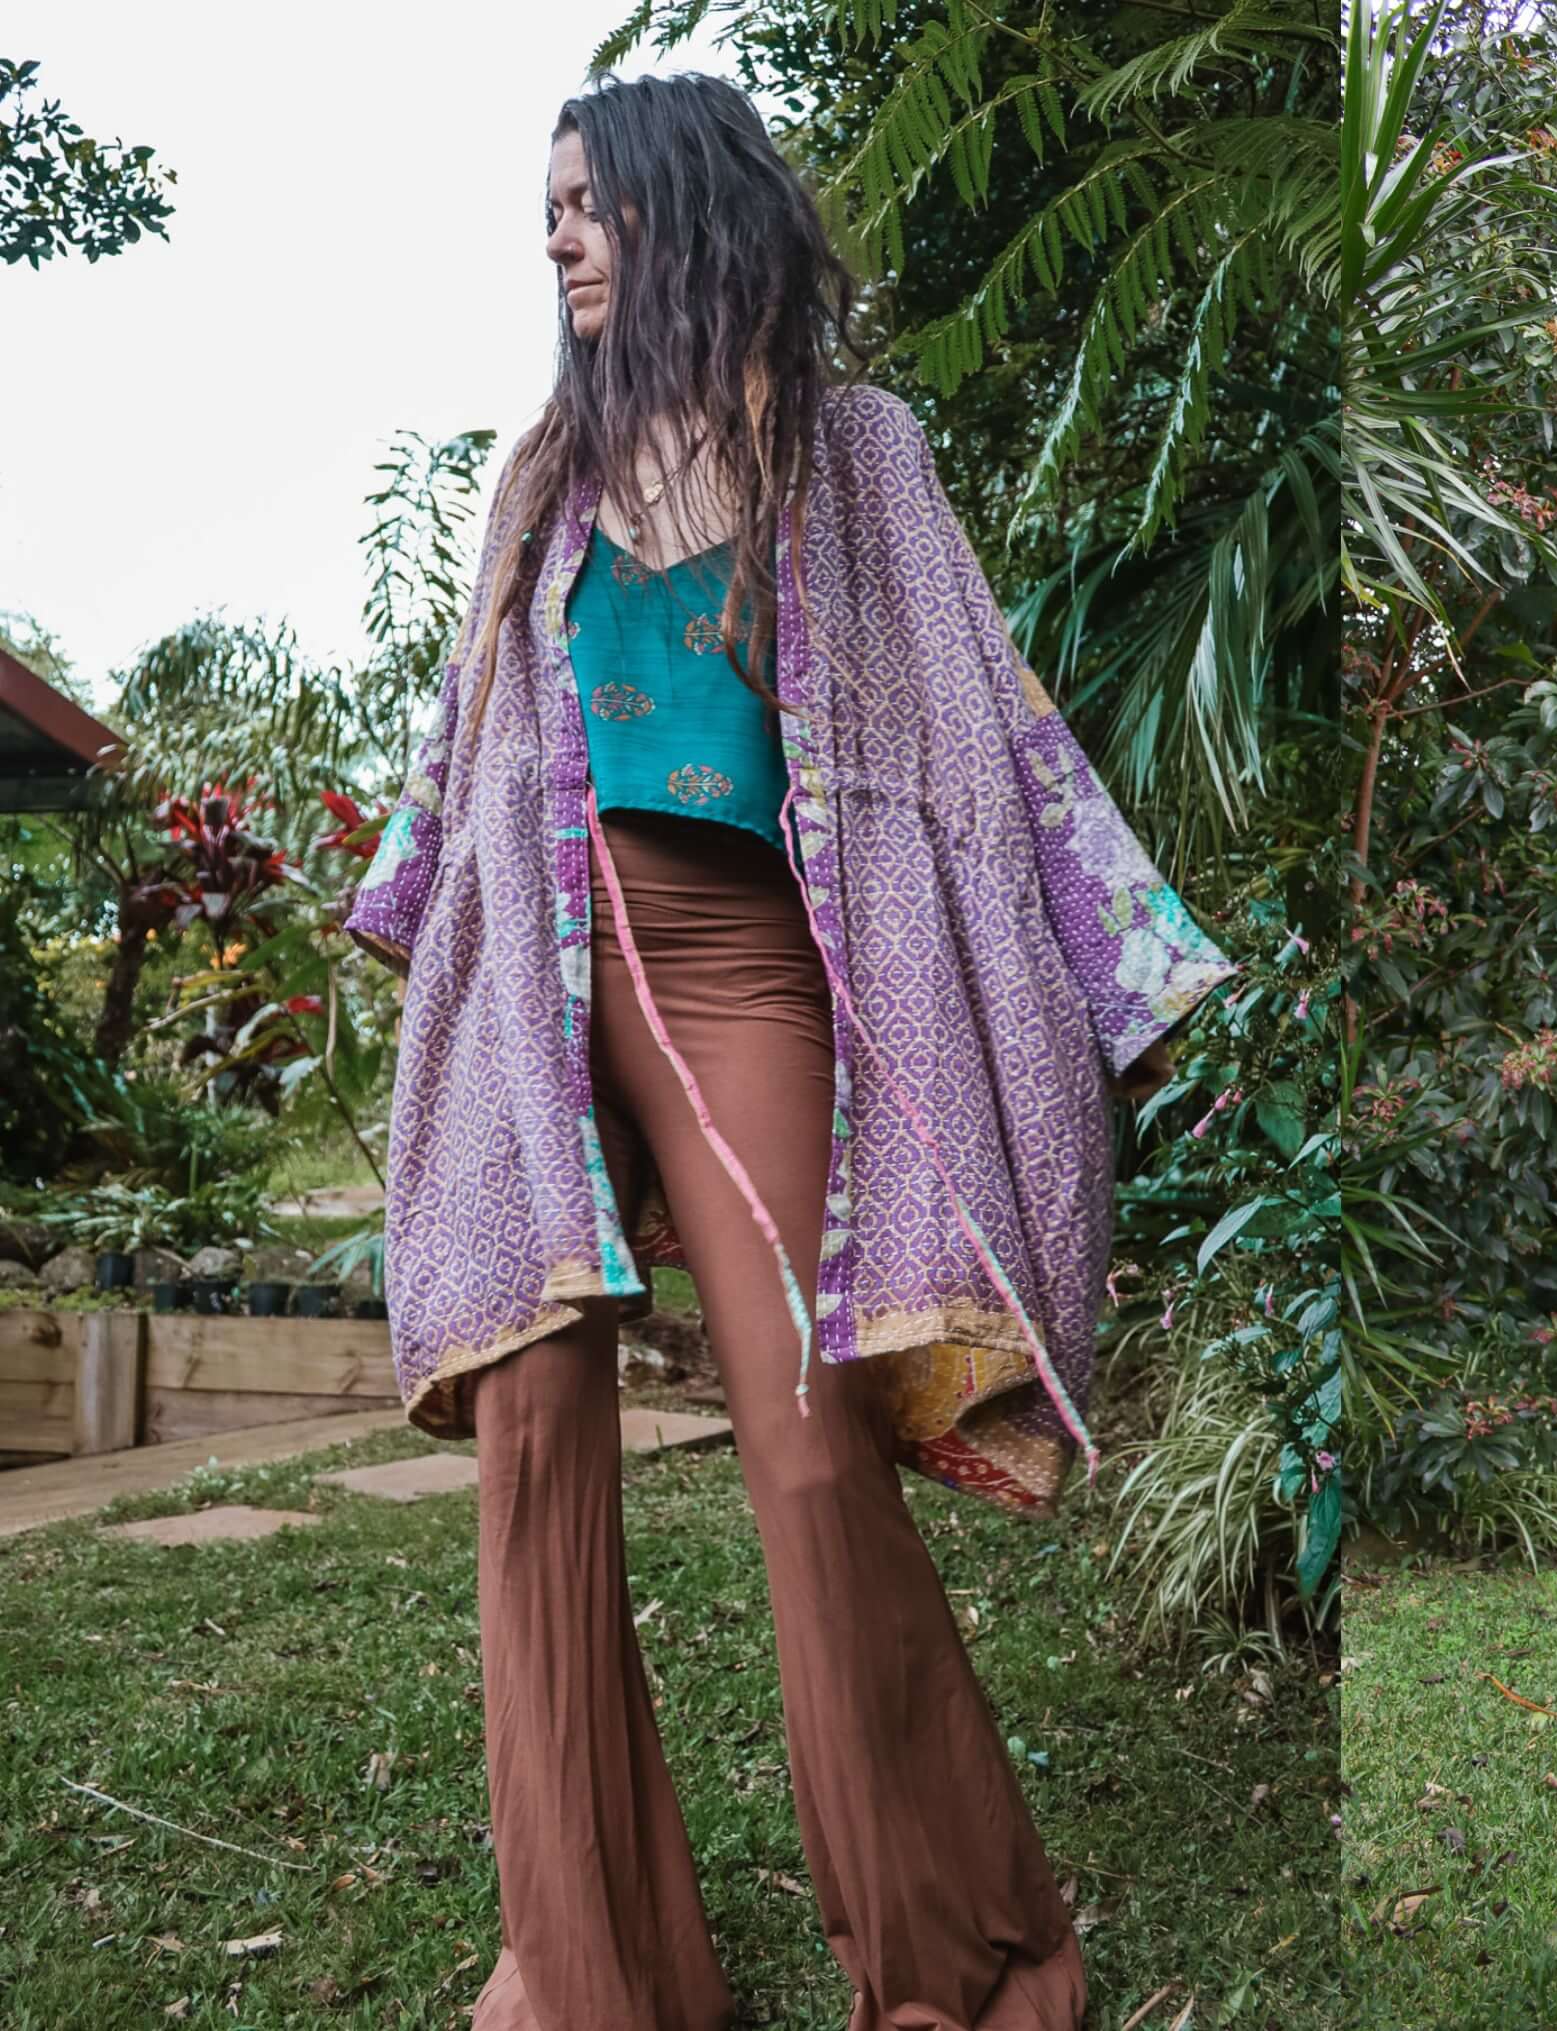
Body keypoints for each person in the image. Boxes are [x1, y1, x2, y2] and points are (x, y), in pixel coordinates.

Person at [341, 74, 1232, 2031]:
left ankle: (961, 1958)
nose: (558, 238)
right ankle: (590, 1972)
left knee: (813, 1452)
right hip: (542, 981)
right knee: (535, 1432)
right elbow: (459, 747)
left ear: (681, 208)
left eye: (587, 203)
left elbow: (987, 733)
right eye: (544, 211)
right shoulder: (540, 482)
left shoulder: (852, 454)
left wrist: (1129, 965)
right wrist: (412, 929)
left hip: (747, 972)